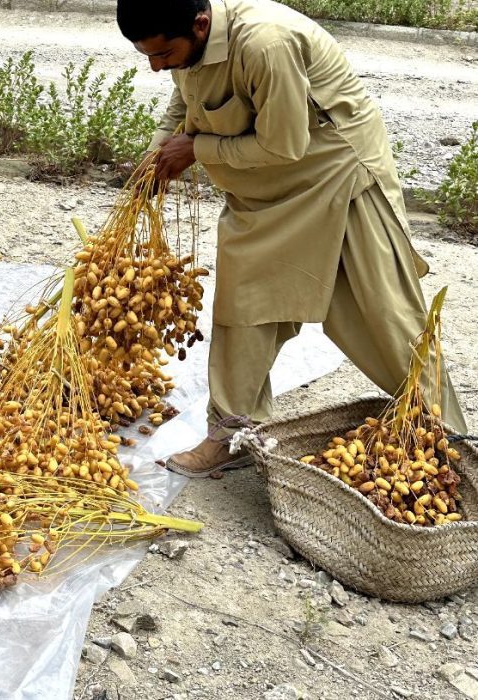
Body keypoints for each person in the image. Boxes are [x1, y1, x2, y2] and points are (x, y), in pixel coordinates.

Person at [115, 0, 468, 477]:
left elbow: (285, 144)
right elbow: (186, 100)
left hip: (336, 177)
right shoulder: (189, 49)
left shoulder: (265, 42)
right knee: (242, 309)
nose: (158, 67)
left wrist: (196, 148)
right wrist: (158, 153)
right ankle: (231, 434)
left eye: (164, 53)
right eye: (148, 58)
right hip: (262, 192)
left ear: (200, 25)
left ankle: (453, 441)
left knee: (384, 317)